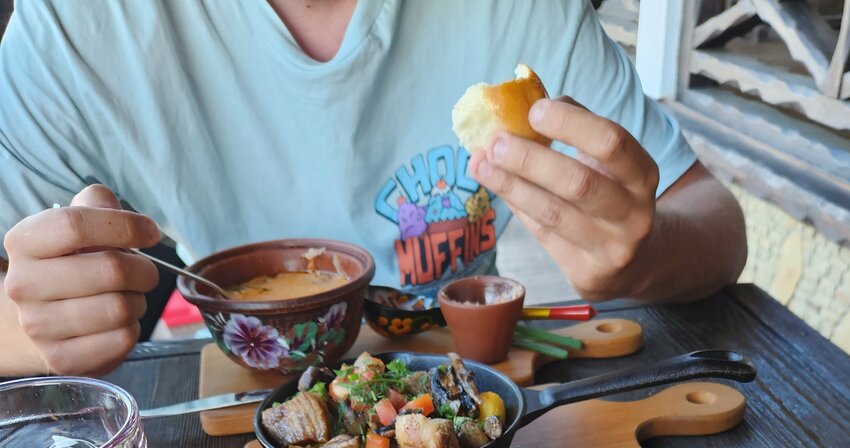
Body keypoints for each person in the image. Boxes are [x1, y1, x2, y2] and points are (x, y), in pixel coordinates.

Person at [0, 0, 747, 377]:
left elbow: (715, 222)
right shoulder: (76, 26)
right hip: (243, 417)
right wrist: (39, 323)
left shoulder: (522, 11)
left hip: (477, 400)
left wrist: (640, 256)